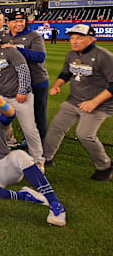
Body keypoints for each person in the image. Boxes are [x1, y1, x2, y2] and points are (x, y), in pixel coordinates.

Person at [0, 95, 66, 226]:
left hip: (8, 165)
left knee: (20, 155)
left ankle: (55, 204)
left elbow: (9, 115)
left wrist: (3, 104)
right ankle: (24, 196)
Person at [43, 24, 113, 181]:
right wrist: (57, 85)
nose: (74, 41)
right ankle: (45, 158)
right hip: (74, 101)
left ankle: (105, 166)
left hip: (99, 105)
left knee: (84, 135)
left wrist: (94, 102)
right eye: (72, 38)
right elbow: (66, 73)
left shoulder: (104, 56)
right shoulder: (71, 55)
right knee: (56, 128)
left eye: (79, 38)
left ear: (92, 39)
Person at [0, 28, 45, 171]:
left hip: (19, 96)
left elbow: (23, 70)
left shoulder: (9, 51)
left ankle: (38, 160)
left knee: (29, 129)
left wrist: (22, 91)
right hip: (2, 96)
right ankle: (4, 150)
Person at [7, 12, 49, 144]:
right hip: (18, 83)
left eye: (21, 21)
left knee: (38, 114)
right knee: (26, 116)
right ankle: (29, 140)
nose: (19, 24)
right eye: (15, 21)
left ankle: (41, 144)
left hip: (37, 81)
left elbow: (40, 57)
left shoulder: (34, 36)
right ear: (8, 23)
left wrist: (17, 50)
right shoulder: (5, 37)